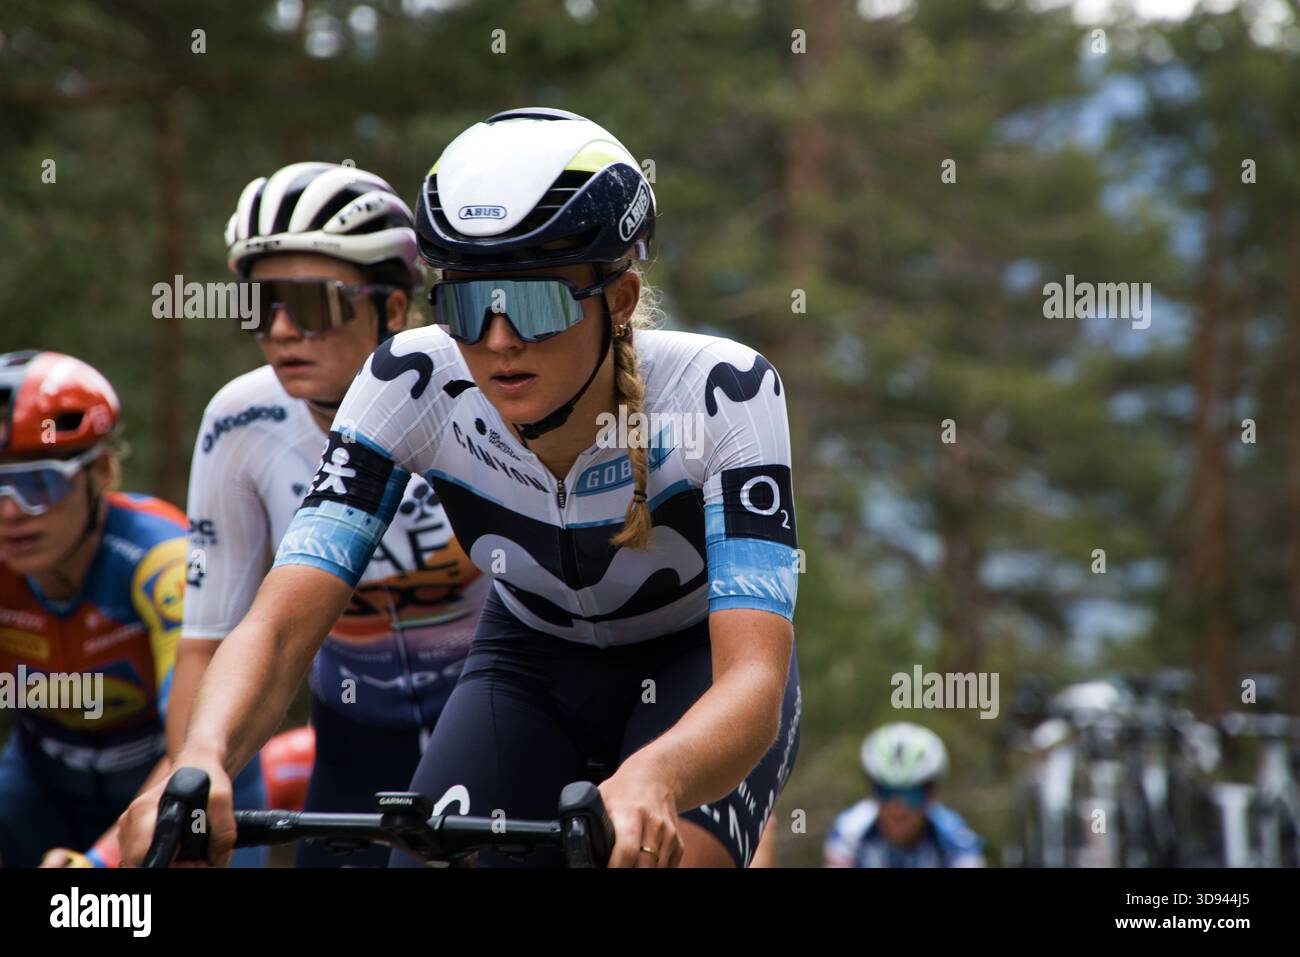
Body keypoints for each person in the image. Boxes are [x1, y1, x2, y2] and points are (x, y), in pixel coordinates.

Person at [118, 107, 802, 869]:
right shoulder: (410, 382)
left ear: (618, 299)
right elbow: (280, 626)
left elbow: (754, 677)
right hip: (528, 664)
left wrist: (653, 775)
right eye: (470, 306)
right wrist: (203, 756)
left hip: (694, 671)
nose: (500, 341)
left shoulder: (724, 392)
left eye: (536, 304)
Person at [177, 162, 486, 867]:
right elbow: (206, 639)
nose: (281, 329)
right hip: (352, 744)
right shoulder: (239, 421)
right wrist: (188, 779)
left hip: (497, 724)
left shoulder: (472, 393)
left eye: (312, 304)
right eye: (259, 304)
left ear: (395, 310)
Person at [0, 351, 264, 867]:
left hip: (175, 775)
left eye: (38, 483)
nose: (11, 511)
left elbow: (193, 745)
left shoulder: (162, 561)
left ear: (100, 471)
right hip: (42, 781)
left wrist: (101, 863)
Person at [823, 722, 985, 868]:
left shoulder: (957, 838)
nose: (897, 808)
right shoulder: (849, 831)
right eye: (885, 791)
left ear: (931, 795)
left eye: (911, 794)